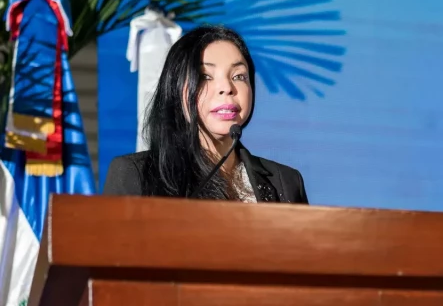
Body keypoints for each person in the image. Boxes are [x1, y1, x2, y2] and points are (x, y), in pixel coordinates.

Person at [103, 25, 309, 203]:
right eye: (205, 76)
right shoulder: (135, 174)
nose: (227, 88)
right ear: (175, 89)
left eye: (238, 76)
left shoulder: (285, 181)